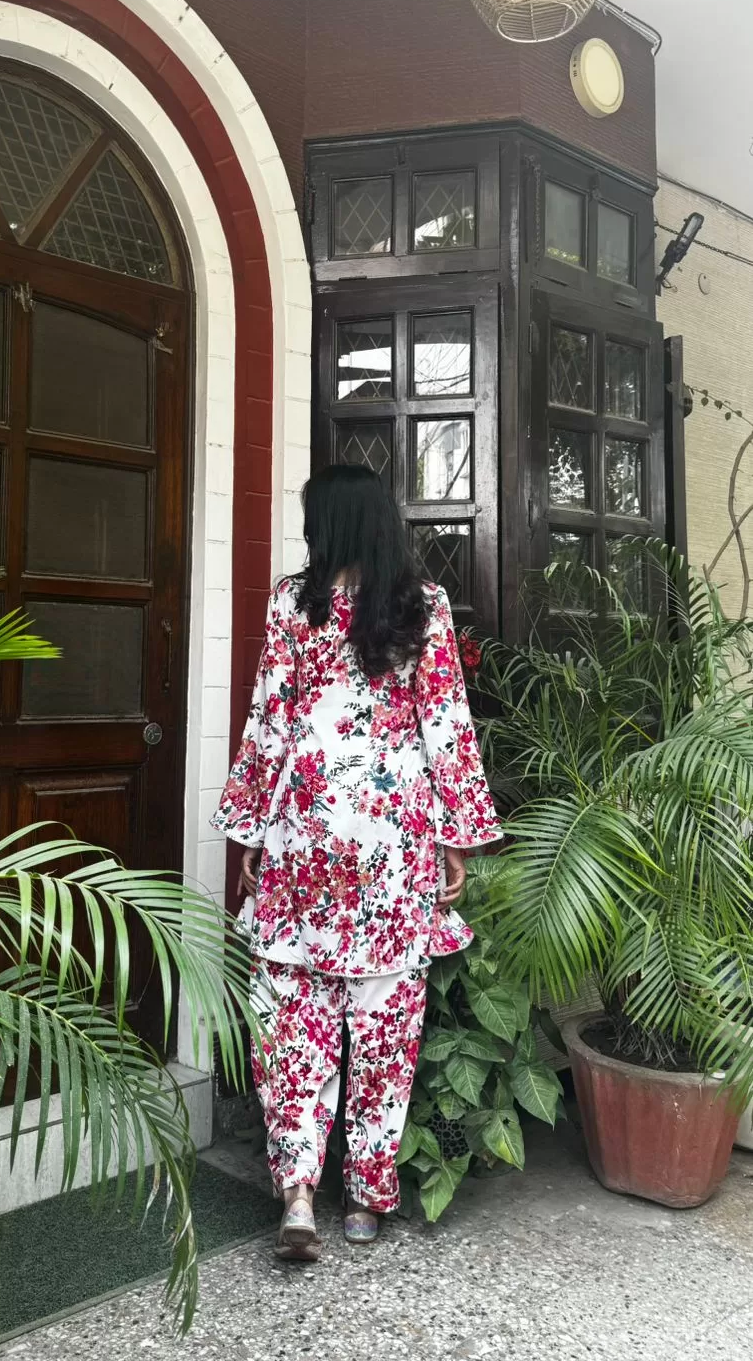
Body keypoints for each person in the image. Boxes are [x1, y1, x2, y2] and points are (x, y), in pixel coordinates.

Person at [210, 464, 501, 1260]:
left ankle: (299, 1192)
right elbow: (446, 726)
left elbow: (269, 724)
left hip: (304, 835)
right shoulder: (421, 605)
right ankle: (367, 1198)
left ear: (327, 525)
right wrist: (456, 837)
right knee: (385, 1023)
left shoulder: (291, 603)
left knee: (293, 1019)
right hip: (391, 840)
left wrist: (250, 834)